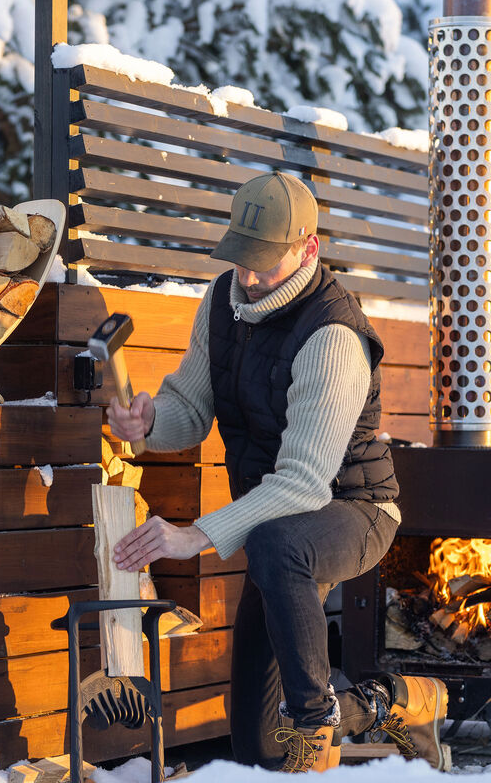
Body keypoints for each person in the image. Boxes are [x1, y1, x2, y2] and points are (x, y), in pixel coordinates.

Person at [107, 172, 448, 773]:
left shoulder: (333, 334)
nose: (248, 276)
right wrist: (150, 422)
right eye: (240, 259)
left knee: (274, 545)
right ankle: (393, 701)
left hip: (353, 510)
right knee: (256, 746)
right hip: (276, 527)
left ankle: (316, 719)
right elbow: (191, 405)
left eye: (263, 262)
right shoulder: (222, 302)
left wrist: (196, 537)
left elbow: (302, 485)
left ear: (308, 248)